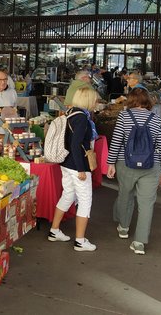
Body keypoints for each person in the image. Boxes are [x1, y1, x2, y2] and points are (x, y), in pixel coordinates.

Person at [106, 88, 161, 255]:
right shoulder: (156, 119)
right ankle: (139, 242)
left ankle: (124, 227)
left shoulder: (124, 116)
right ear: (148, 101)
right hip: (151, 166)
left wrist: (110, 163)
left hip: (126, 163)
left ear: (131, 100)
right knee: (146, 205)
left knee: (125, 195)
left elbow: (117, 141)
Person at [49, 86, 99, 252]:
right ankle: (80, 240)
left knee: (68, 195)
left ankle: (54, 230)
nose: (96, 102)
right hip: (77, 165)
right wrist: (81, 169)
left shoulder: (70, 113)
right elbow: (76, 145)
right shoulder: (82, 118)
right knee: (85, 201)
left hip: (66, 163)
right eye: (94, 99)